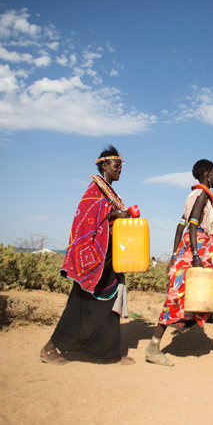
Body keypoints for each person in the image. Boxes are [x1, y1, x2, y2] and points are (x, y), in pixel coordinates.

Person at [145, 159, 213, 366]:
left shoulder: (194, 196)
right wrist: (197, 257)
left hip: (193, 250)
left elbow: (179, 226)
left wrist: (175, 255)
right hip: (196, 250)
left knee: (212, 296)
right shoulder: (201, 195)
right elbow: (191, 226)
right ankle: (153, 347)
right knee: (177, 298)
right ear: (207, 174)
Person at [39, 145, 134, 365]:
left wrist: (121, 215)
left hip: (109, 259)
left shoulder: (110, 192)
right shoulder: (95, 190)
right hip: (93, 261)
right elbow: (86, 218)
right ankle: (49, 348)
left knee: (107, 304)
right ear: (104, 166)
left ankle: (107, 351)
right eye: (116, 166)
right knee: (79, 304)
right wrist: (113, 213)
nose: (120, 169)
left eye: (121, 166)